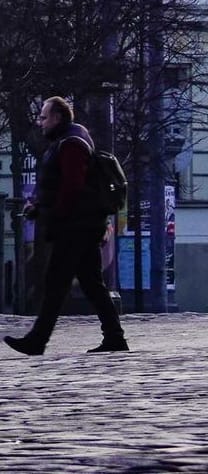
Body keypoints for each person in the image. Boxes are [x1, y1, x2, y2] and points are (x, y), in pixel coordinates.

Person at [4, 96, 128, 356]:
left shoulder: (72, 144)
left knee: (55, 283)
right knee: (92, 284)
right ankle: (115, 337)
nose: (40, 122)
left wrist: (55, 215)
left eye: (44, 117)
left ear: (58, 118)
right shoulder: (67, 142)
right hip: (80, 224)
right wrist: (39, 207)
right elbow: (59, 186)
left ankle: (37, 340)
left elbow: (72, 186)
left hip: (75, 226)